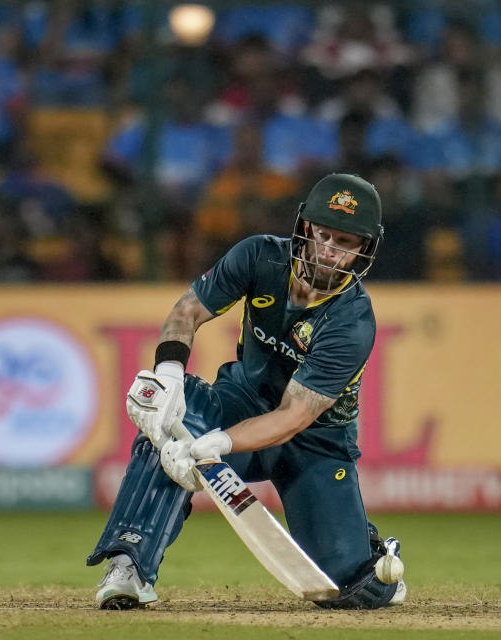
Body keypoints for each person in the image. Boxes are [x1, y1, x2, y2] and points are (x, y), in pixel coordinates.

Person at [87, 173, 406, 609]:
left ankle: (367, 555)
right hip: (241, 400)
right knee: (168, 428)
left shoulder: (352, 323)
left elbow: (295, 415)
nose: (330, 252)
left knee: (350, 589)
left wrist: (216, 443)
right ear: (306, 227)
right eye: (324, 235)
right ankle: (129, 566)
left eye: (346, 242)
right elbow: (187, 311)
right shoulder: (260, 256)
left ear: (364, 248)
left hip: (314, 444)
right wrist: (169, 377)